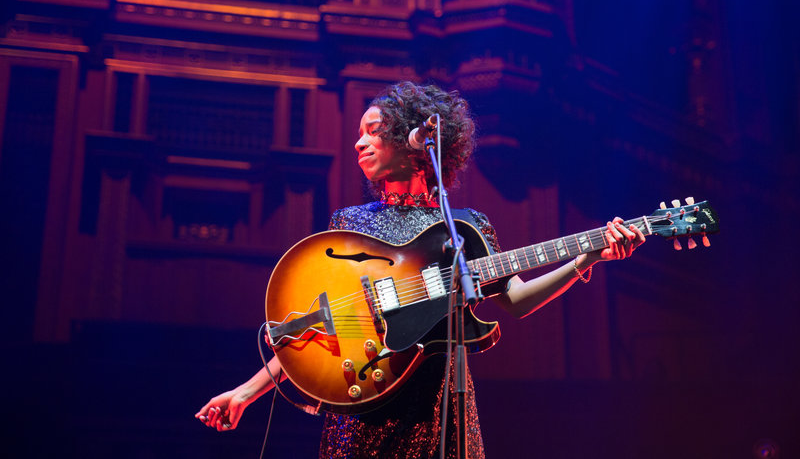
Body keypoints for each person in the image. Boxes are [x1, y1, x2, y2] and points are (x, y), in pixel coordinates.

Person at [195, 82, 645, 458]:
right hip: (364, 415)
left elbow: (517, 300)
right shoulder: (350, 224)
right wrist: (246, 392)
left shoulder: (465, 227)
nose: (359, 143)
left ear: (411, 139)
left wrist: (586, 259)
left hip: (440, 409)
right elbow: (318, 329)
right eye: (358, 134)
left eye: (373, 131)